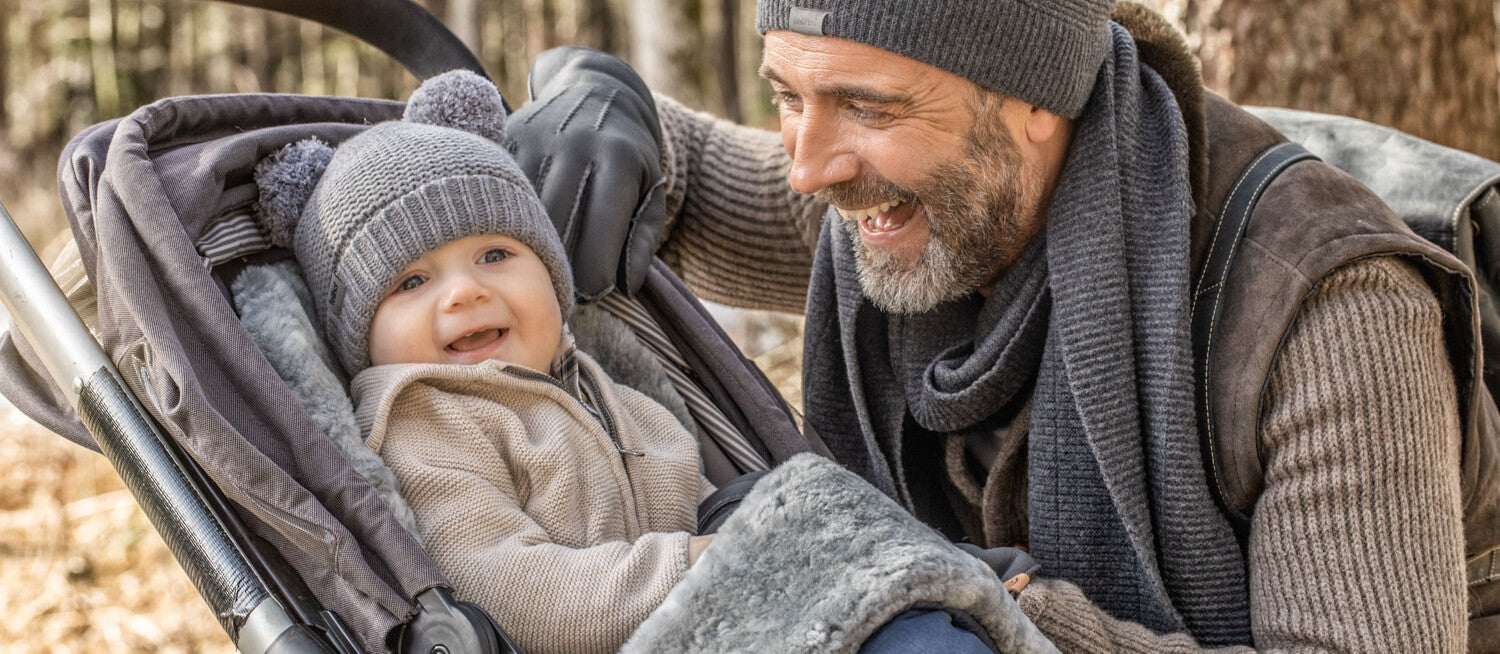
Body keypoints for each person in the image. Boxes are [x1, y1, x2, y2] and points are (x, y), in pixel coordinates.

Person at [503, 1, 1484, 651]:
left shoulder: (1331, 308)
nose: (808, 166)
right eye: (789, 96)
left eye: (865, 106)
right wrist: (598, 103)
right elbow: (692, 183)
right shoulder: (929, 204)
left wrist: (1009, 610)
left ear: (1033, 101)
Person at [250, 70, 716, 654]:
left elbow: (689, 487)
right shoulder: (425, 432)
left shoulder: (600, 387)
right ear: (363, 339)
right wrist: (695, 564)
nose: (464, 293)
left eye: (494, 254)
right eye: (412, 281)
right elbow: (514, 590)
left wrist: (740, 523)